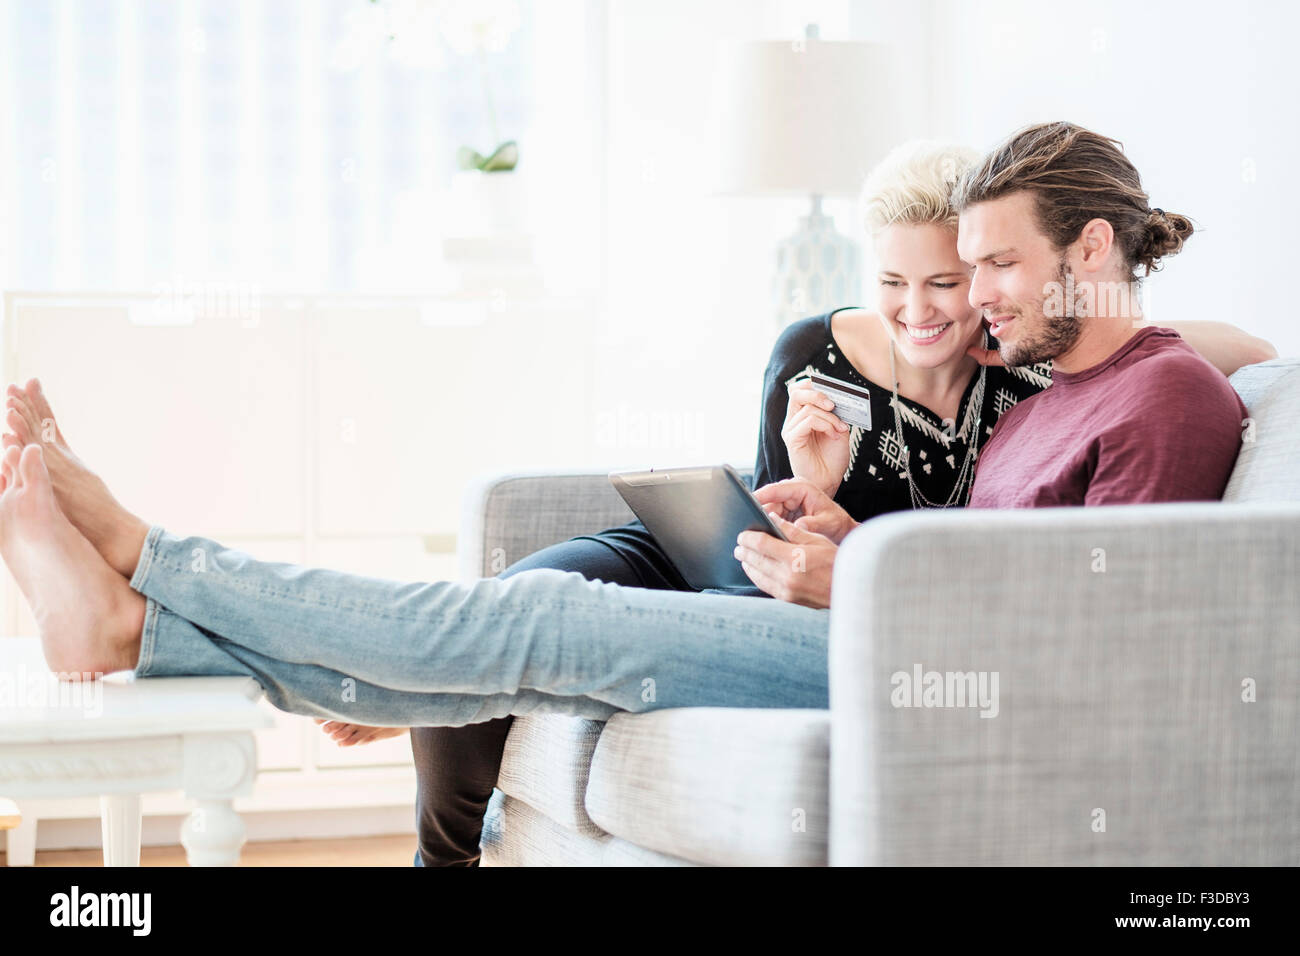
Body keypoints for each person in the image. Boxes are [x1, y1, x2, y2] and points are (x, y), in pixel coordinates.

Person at [0, 122, 1264, 864]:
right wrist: (841, 540)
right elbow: (1006, 562)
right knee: (527, 632)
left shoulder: (1161, 402)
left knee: (536, 626)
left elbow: (1093, 666)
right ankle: (144, 616)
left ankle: (145, 562)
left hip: (899, 668)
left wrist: (860, 583)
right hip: (860, 629)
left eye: (995, 265)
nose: (973, 300)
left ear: (1088, 252)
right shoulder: (1054, 390)